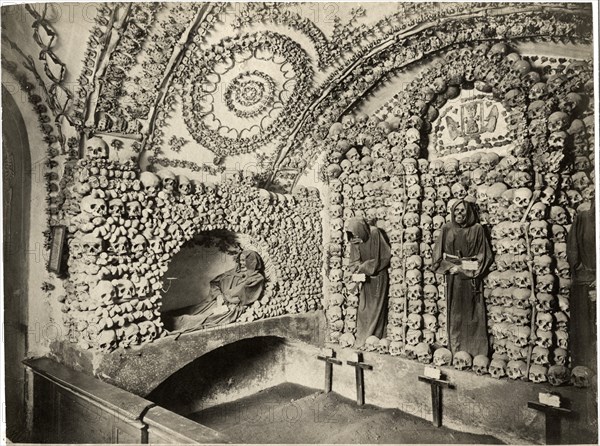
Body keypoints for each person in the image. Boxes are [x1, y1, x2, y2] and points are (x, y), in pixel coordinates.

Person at [432, 199, 493, 357]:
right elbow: (437, 258)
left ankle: (475, 352)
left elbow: (483, 258)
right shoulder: (447, 228)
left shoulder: (477, 229)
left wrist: (461, 269)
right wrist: (449, 268)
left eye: (462, 211)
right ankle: (457, 351)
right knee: (456, 315)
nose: (459, 214)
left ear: (469, 212)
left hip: (471, 279)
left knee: (473, 316)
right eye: (456, 211)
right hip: (453, 279)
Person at [167, 250, 265, 333]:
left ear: (252, 262)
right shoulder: (232, 272)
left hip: (231, 307)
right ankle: (167, 319)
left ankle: (176, 323)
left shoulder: (256, 278)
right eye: (241, 260)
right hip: (217, 301)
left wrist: (225, 298)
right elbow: (215, 282)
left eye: (245, 261)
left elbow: (244, 294)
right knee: (194, 310)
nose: (242, 263)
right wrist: (218, 295)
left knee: (200, 319)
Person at [344, 217, 391, 347]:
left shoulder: (375, 233)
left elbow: (383, 257)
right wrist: (357, 270)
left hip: (378, 278)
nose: (356, 241)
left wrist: (363, 267)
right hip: (365, 279)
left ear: (362, 230)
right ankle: (364, 338)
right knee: (363, 309)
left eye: (358, 236)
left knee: (376, 309)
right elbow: (354, 261)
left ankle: (374, 339)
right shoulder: (354, 238)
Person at [567, 203, 596, 371]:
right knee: (584, 327)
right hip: (584, 281)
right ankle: (582, 368)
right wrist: (582, 271)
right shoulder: (582, 219)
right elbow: (572, 248)